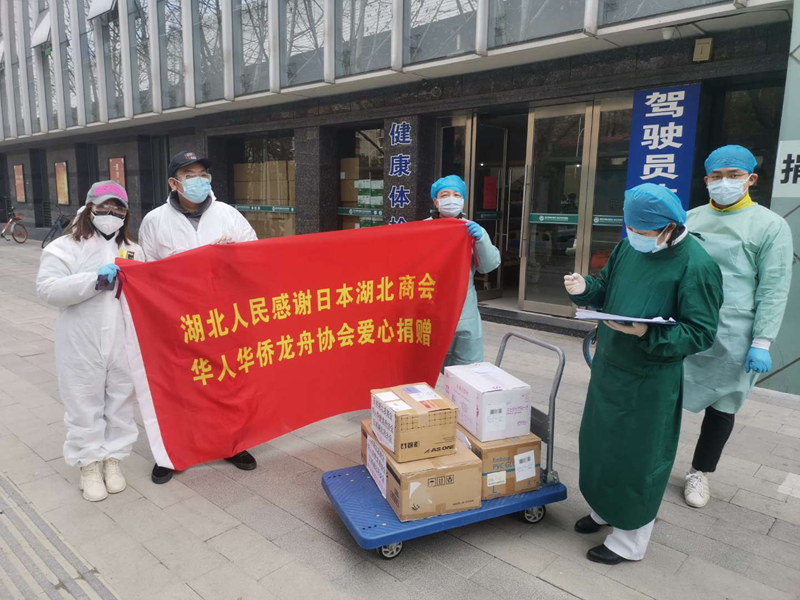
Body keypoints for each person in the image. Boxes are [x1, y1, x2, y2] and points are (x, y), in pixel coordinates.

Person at [563, 183, 723, 564]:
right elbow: (606, 289)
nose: (635, 235)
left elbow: (700, 332)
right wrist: (585, 288)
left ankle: (630, 539)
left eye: (643, 231)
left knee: (638, 458)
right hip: (610, 368)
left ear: (669, 226)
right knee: (601, 445)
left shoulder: (697, 266)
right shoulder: (628, 248)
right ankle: (604, 509)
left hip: (650, 379)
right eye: (630, 227)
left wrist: (648, 334)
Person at [138, 150, 258, 484]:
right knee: (178, 387)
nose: (199, 181)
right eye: (190, 176)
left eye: (203, 174)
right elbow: (147, 272)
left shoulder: (229, 215)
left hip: (224, 318)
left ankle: (232, 444)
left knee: (227, 382)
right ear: (173, 183)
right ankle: (172, 453)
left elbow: (256, 258)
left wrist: (234, 256)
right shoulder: (155, 221)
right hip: (177, 319)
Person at [682, 145, 793, 508]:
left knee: (723, 406)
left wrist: (762, 340)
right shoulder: (690, 219)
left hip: (735, 331)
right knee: (666, 397)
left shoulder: (770, 225)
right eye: (717, 176)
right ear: (706, 180)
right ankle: (655, 459)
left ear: (751, 179)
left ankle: (700, 472)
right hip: (685, 325)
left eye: (733, 175)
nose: (724, 182)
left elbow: (773, 287)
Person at [37, 181, 144, 502]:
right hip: (81, 340)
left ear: (126, 213)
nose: (111, 212)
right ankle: (89, 463)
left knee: (121, 402)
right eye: (105, 205)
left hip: (123, 339)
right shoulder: (65, 246)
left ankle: (114, 459)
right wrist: (93, 280)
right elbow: (48, 289)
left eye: (118, 207)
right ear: (89, 208)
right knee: (83, 402)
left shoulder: (134, 250)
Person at [428, 175, 501, 368]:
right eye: (445, 195)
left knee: (467, 368)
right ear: (436, 202)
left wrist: (481, 240)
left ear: (463, 200)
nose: (451, 199)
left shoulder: (471, 229)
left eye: (456, 195)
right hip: (430, 307)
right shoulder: (423, 229)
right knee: (426, 365)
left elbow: (488, 265)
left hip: (464, 310)